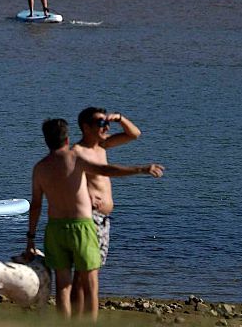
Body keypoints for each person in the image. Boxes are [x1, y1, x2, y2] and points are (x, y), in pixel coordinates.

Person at [25, 118, 163, 321]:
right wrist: (140, 169)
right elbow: (106, 170)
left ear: (46, 140)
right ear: (67, 138)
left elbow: (36, 205)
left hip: (54, 228)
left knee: (63, 286)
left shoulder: (39, 168)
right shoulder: (75, 158)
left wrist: (31, 237)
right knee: (91, 283)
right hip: (81, 227)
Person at [70, 107, 141, 313]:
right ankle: (76, 319)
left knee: (91, 271)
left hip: (103, 219)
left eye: (107, 123)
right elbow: (69, 179)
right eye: (101, 123)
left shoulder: (102, 146)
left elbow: (134, 134)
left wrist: (119, 117)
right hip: (88, 217)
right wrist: (85, 195)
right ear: (86, 127)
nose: (106, 127)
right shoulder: (77, 151)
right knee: (84, 273)